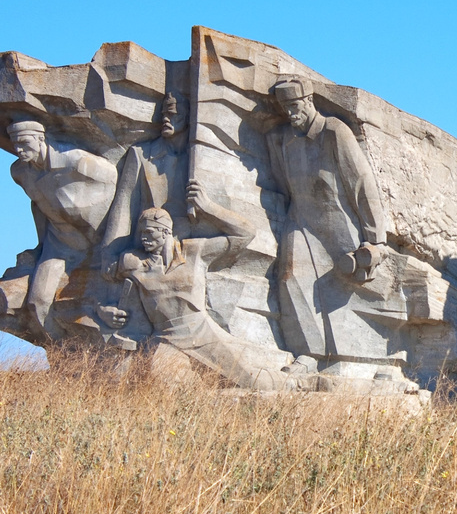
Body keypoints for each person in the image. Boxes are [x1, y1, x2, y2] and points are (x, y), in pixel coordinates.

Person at [99, 182, 288, 388]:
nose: (143, 238)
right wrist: (101, 310)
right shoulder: (133, 263)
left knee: (252, 382)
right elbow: (100, 285)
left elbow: (245, 234)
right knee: (160, 385)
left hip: (202, 333)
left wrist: (207, 207)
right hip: (165, 338)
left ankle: (298, 383)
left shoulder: (194, 252)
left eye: (150, 232)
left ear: (165, 232)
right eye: (141, 232)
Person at [266, 79, 389, 370]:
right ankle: (309, 355)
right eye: (284, 108)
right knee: (291, 278)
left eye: (294, 106)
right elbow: (282, 185)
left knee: (346, 286)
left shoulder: (334, 131)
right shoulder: (282, 140)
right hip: (301, 219)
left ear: (309, 101)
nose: (290, 114)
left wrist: (376, 239)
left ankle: (352, 359)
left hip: (337, 220)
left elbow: (361, 183)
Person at [7, 119, 118, 339]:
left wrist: (84, 201)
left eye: (25, 143)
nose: (20, 150)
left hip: (100, 240)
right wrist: (41, 245)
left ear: (41, 139)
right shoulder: (20, 172)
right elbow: (37, 203)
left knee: (105, 302)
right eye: (15, 144)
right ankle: (64, 355)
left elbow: (114, 177)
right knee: (37, 301)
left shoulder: (74, 160)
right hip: (59, 243)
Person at [101, 92, 190, 264]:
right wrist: (109, 253)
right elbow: (124, 203)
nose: (165, 119)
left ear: (187, 118)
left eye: (172, 114)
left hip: (183, 254)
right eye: (164, 114)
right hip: (143, 253)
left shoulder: (195, 161)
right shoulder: (141, 154)